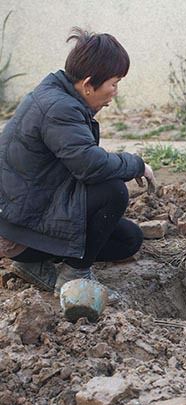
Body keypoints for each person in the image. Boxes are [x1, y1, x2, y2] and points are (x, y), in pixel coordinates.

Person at [0, 28, 155, 298]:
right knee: (113, 191)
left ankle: (33, 265)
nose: (115, 92)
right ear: (87, 84)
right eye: (114, 83)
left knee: (128, 239)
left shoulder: (60, 98)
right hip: (17, 228)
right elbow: (90, 166)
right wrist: (136, 164)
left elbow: (80, 160)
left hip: (30, 213)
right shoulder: (59, 108)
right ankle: (74, 279)